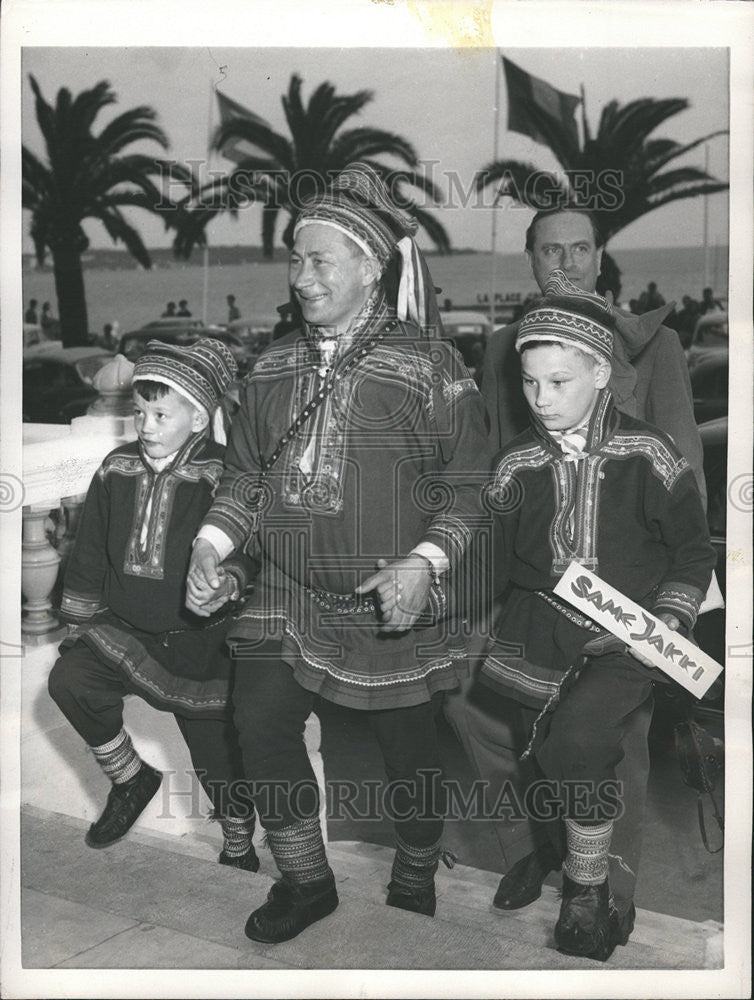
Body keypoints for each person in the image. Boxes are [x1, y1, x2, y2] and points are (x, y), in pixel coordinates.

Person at [186, 162, 491, 944]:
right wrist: (212, 545)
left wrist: (424, 563)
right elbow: (246, 474)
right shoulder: (272, 367)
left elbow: (469, 484)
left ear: (369, 267)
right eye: (295, 258)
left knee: (409, 753)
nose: (300, 276)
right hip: (284, 590)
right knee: (257, 724)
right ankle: (306, 879)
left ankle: (418, 867)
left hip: (391, 601)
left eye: (319, 260)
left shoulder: (432, 367)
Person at [446, 206, 707, 928]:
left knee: (599, 742)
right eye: (548, 250)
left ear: (599, 256)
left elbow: (686, 484)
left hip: (633, 600)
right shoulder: (508, 349)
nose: (563, 262)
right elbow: (497, 476)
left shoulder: (654, 349)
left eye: (579, 248)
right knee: (503, 724)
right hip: (535, 595)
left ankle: (603, 890)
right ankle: (546, 844)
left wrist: (681, 610)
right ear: (530, 258)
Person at [48, 338, 261, 871]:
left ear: (197, 418)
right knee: (70, 680)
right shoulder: (116, 468)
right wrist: (76, 622)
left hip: (201, 641)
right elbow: (91, 548)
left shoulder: (222, 474)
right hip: (125, 628)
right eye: (140, 411)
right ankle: (131, 777)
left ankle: (238, 840)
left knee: (215, 757)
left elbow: (253, 551)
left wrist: (229, 579)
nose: (145, 424)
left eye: (160, 413)